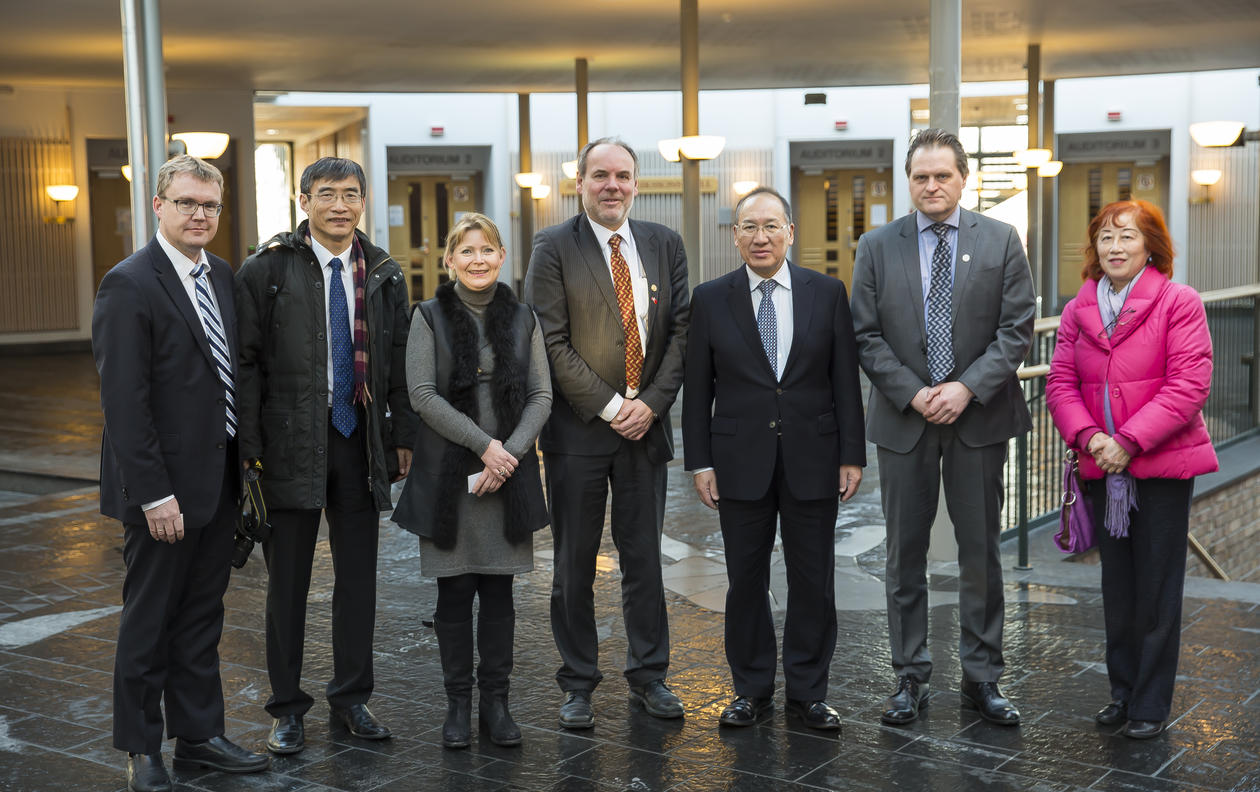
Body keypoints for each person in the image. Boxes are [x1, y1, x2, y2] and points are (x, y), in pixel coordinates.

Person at [93, 154, 269, 792]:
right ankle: (142, 751)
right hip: (161, 491)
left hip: (218, 480)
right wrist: (154, 493)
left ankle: (198, 736)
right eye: (188, 202)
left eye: (211, 205)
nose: (200, 214)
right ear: (159, 206)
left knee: (201, 615)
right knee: (149, 620)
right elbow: (124, 404)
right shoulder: (128, 284)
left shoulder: (222, 275)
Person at [850, 128, 1035, 727]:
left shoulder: (1002, 240)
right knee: (904, 553)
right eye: (921, 177)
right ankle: (909, 675)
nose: (932, 186)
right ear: (909, 182)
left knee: (980, 552)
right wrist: (916, 392)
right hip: (906, 422)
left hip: (978, 421)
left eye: (943, 176)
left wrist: (964, 388)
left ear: (963, 179)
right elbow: (865, 335)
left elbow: (1016, 329)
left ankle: (983, 677)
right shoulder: (877, 245)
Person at [234, 157, 418, 755]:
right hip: (289, 444)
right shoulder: (268, 269)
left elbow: (396, 362)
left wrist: (403, 438)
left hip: (358, 441)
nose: (340, 206)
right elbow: (247, 366)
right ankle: (286, 708)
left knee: (358, 581)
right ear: (303, 198)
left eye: (351, 194)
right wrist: (251, 451)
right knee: (286, 582)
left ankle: (352, 698)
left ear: (364, 200)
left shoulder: (386, 273)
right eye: (327, 194)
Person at [682, 188, 865, 731]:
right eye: (748, 227)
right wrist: (700, 462)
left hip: (815, 455)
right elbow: (698, 389)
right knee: (744, 580)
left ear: (791, 231)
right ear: (735, 236)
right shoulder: (710, 298)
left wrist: (851, 454)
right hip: (739, 461)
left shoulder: (827, 292)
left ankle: (809, 692)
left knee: (814, 580)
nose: (760, 237)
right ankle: (751, 690)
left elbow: (845, 381)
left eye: (770, 226)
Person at [523, 138, 690, 729]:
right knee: (573, 564)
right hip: (578, 435)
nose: (612, 185)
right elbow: (549, 340)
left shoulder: (665, 244)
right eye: (600, 176)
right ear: (580, 183)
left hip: (645, 433)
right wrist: (614, 405)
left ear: (636, 184)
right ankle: (578, 683)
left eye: (622, 175)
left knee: (645, 560)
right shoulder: (552, 246)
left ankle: (649, 677)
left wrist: (649, 405)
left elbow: (680, 335)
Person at [1046, 200, 1216, 740]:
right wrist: (1091, 438)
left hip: (1161, 469)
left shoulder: (1178, 302)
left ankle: (1149, 704)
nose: (1114, 247)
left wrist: (1128, 441)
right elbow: (1060, 384)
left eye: (1127, 237)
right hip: (1103, 469)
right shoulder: (1078, 309)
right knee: (1117, 587)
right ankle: (1121, 693)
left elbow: (1189, 385)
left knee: (1158, 589)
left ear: (1150, 245)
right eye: (1104, 238)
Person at [391, 213, 552, 749]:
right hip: (449, 480)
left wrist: (506, 457)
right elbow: (421, 394)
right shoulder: (428, 316)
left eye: (487, 250)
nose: (478, 260)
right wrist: (486, 448)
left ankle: (496, 706)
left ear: (502, 257)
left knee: (500, 596)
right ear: (449, 260)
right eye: (466, 251)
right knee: (455, 595)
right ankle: (457, 706)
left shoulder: (525, 317)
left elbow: (541, 396)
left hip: (507, 474)